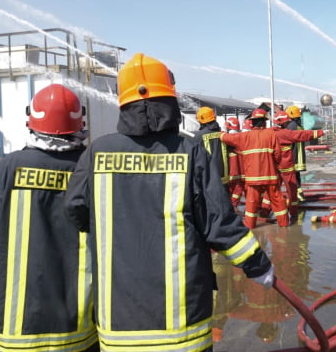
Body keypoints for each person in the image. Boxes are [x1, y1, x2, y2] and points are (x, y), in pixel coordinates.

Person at [63, 53, 273, 351]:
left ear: (123, 103)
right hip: (183, 328)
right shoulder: (190, 152)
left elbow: (74, 211)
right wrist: (258, 265)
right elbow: (219, 223)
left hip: (118, 324)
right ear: (170, 100)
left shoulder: (97, 152)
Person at [0, 84, 98, 351]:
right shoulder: (89, 167)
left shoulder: (9, 166)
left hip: (15, 319)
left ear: (31, 121)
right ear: (80, 123)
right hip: (75, 319)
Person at [221, 108, 289, 229]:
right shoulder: (271, 134)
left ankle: (250, 226)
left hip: (253, 177)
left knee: (251, 203)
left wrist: (219, 133)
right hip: (270, 176)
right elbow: (278, 154)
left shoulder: (245, 136)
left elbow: (227, 138)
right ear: (265, 122)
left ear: (252, 122)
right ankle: (284, 225)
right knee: (278, 201)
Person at [260, 110, 324, 220]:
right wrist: (319, 132)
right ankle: (293, 213)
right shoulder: (286, 132)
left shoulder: (269, 133)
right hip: (287, 167)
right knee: (292, 190)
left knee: (272, 190)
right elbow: (301, 135)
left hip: (274, 167)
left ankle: (265, 211)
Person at [195, 106, 230, 186]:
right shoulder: (223, 134)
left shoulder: (198, 136)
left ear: (201, 120)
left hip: (208, 180)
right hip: (225, 179)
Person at [285, 105, 308, 202]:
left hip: (293, 156)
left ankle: (297, 196)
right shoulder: (299, 126)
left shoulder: (291, 126)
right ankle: (299, 195)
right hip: (299, 156)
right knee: (296, 177)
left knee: (292, 178)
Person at [224, 116, 245, 212]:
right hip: (242, 167)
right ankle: (234, 203)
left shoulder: (227, 137)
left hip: (232, 167)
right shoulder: (242, 136)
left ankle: (231, 205)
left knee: (231, 187)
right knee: (239, 186)